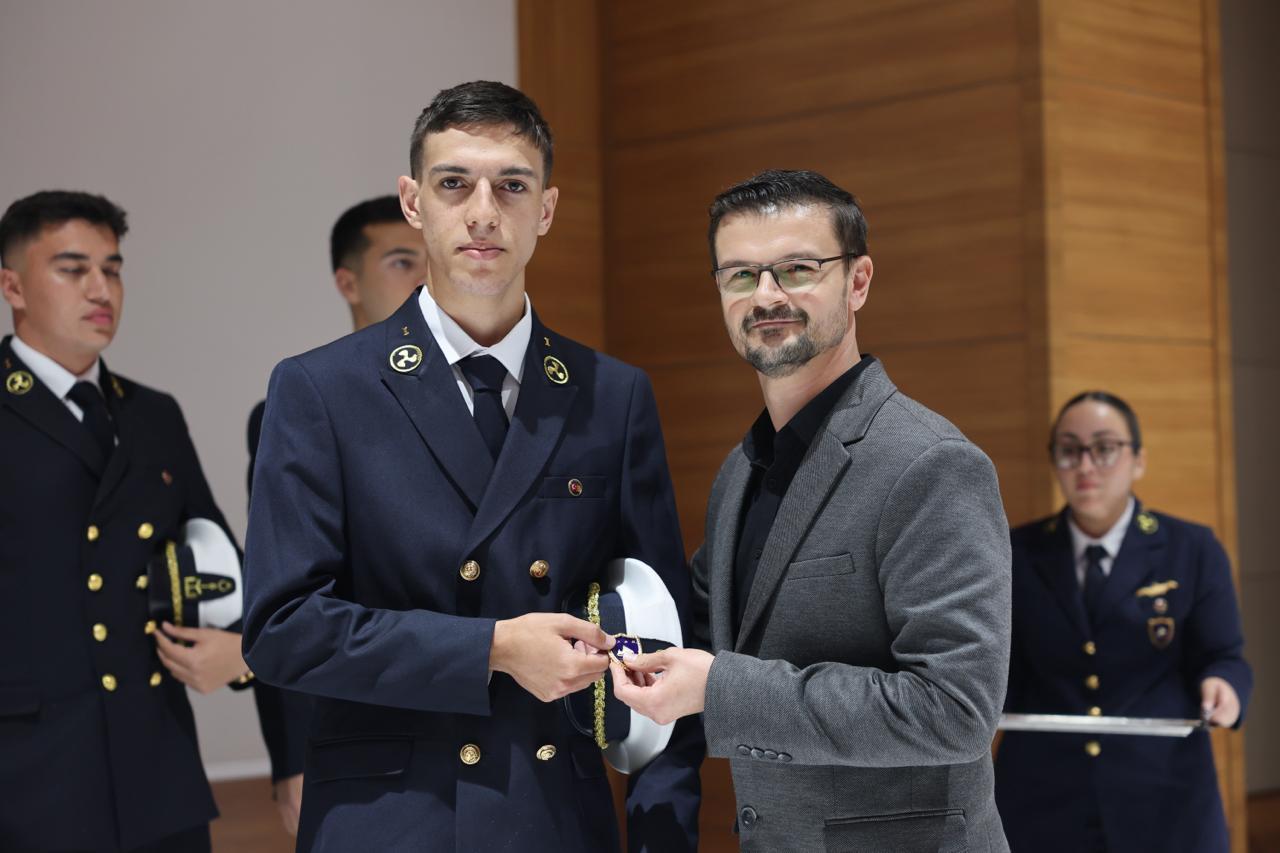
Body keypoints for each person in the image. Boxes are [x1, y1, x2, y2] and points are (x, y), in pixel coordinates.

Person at [241, 81, 702, 853]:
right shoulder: (321, 389)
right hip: (389, 823)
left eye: (511, 186)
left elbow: (666, 643)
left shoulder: (612, 395)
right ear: (414, 201)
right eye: (455, 183)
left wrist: (664, 837)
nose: (483, 212)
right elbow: (283, 629)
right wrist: (492, 647)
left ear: (545, 209)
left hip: (557, 820)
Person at [611, 169, 1012, 852]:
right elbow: (692, 636)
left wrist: (721, 689)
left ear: (858, 281)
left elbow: (955, 711)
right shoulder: (740, 471)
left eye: (797, 269)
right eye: (741, 275)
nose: (766, 295)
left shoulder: (931, 463)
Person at [0, 190, 290, 851]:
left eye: (112, 269)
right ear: (12, 285)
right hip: (27, 779)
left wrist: (241, 654)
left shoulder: (151, 414)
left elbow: (217, 556)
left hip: (156, 772)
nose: (100, 289)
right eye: (73, 269)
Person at [995, 390, 1252, 852]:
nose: (1085, 465)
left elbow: (1224, 656)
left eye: (1105, 448)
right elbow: (1001, 668)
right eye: (1069, 450)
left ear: (1138, 460)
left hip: (1164, 795)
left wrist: (1224, 688)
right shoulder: (1016, 552)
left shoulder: (1192, 548)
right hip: (1042, 797)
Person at [245, 195, 427, 487]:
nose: (426, 278)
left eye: (435, 261)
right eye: (402, 263)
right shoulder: (299, 411)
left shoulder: (483, 387)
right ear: (349, 284)